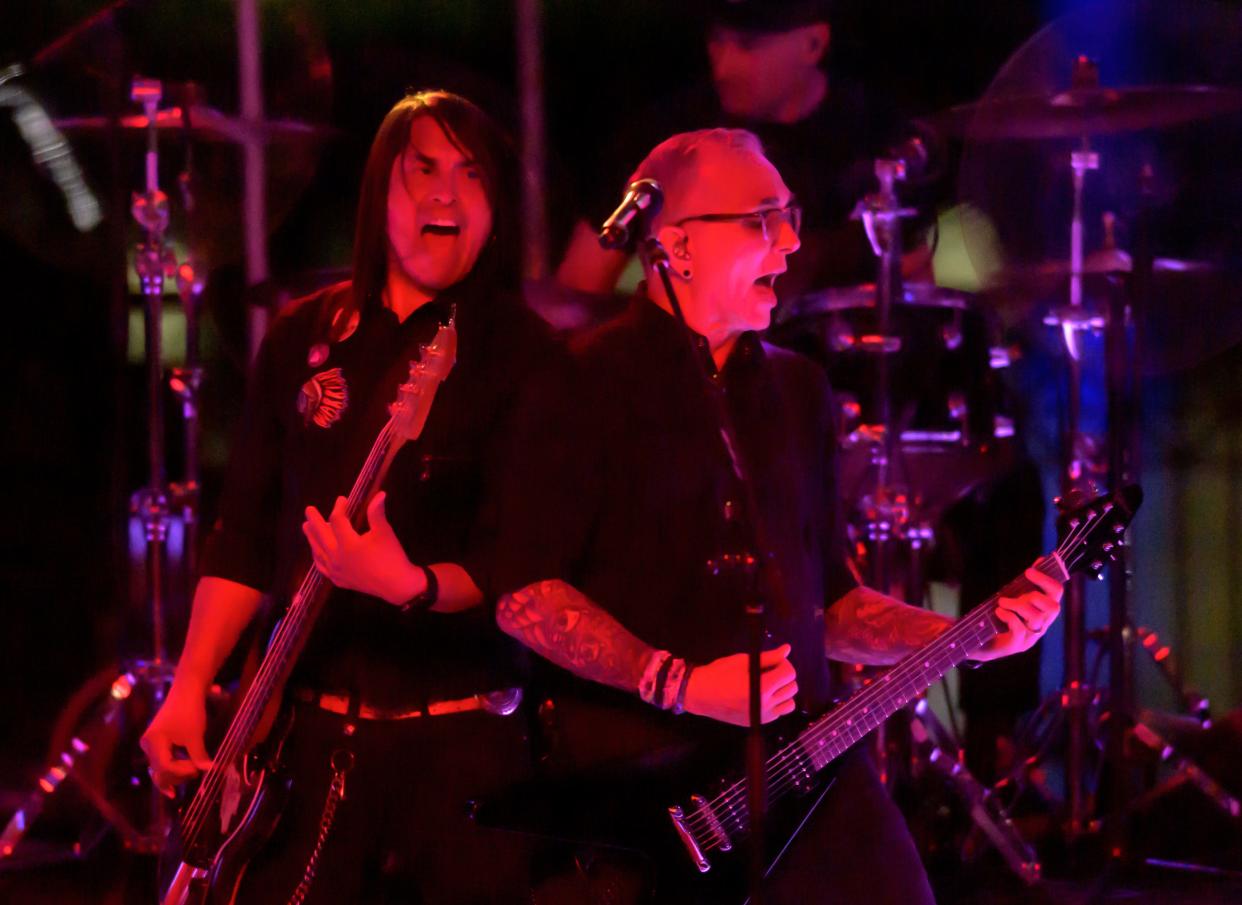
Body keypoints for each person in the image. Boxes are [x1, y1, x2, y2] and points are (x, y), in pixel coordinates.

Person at [488, 129, 1064, 904]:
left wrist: (967, 637)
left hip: (803, 764)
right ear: (677, 246)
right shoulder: (575, 383)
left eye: (789, 215)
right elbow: (524, 594)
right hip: (642, 786)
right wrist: (678, 682)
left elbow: (829, 606)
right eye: (763, 220)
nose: (792, 244)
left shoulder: (798, 392)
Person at [140, 90, 551, 904]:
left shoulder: (528, 355)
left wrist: (411, 585)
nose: (445, 193)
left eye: (470, 175)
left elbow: (522, 564)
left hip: (462, 737)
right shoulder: (300, 338)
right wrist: (189, 685)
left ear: (496, 209)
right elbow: (245, 536)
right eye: (423, 169)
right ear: (378, 194)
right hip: (307, 736)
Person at [555, 0, 908, 304]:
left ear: (813, 43)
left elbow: (916, 291)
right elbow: (578, 288)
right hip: (693, 376)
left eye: (747, 45)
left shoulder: (877, 136)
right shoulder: (664, 140)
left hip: (843, 377)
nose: (723, 66)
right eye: (716, 39)